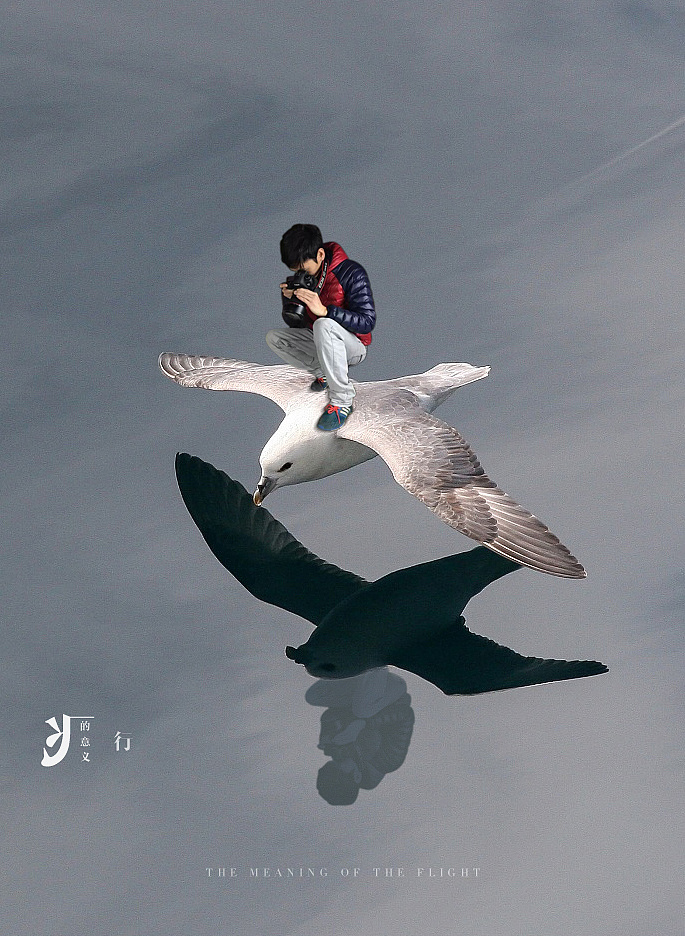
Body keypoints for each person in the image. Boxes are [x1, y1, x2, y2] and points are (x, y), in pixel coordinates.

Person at [265, 224, 375, 431]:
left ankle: (342, 402)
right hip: (322, 340)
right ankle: (323, 372)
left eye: (303, 268)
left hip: (354, 345)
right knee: (275, 338)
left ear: (321, 254)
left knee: (324, 324)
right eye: (295, 270)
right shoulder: (303, 281)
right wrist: (291, 300)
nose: (300, 273)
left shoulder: (351, 273)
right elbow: (297, 326)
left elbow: (367, 322)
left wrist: (326, 311)